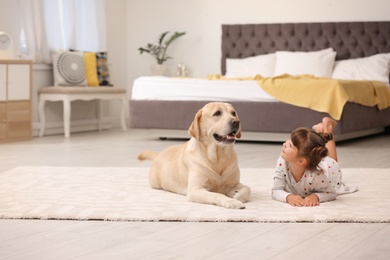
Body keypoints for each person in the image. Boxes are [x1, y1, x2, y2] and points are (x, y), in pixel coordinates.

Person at [271, 117, 358, 207]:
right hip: (312, 159)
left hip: (329, 169)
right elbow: (275, 190)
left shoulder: (317, 176)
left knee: (333, 161)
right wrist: (288, 197)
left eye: (290, 145)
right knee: (326, 158)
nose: (284, 144)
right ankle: (322, 131)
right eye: (288, 140)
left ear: (301, 161)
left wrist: (316, 196)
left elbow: (331, 193)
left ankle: (328, 129)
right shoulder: (282, 162)